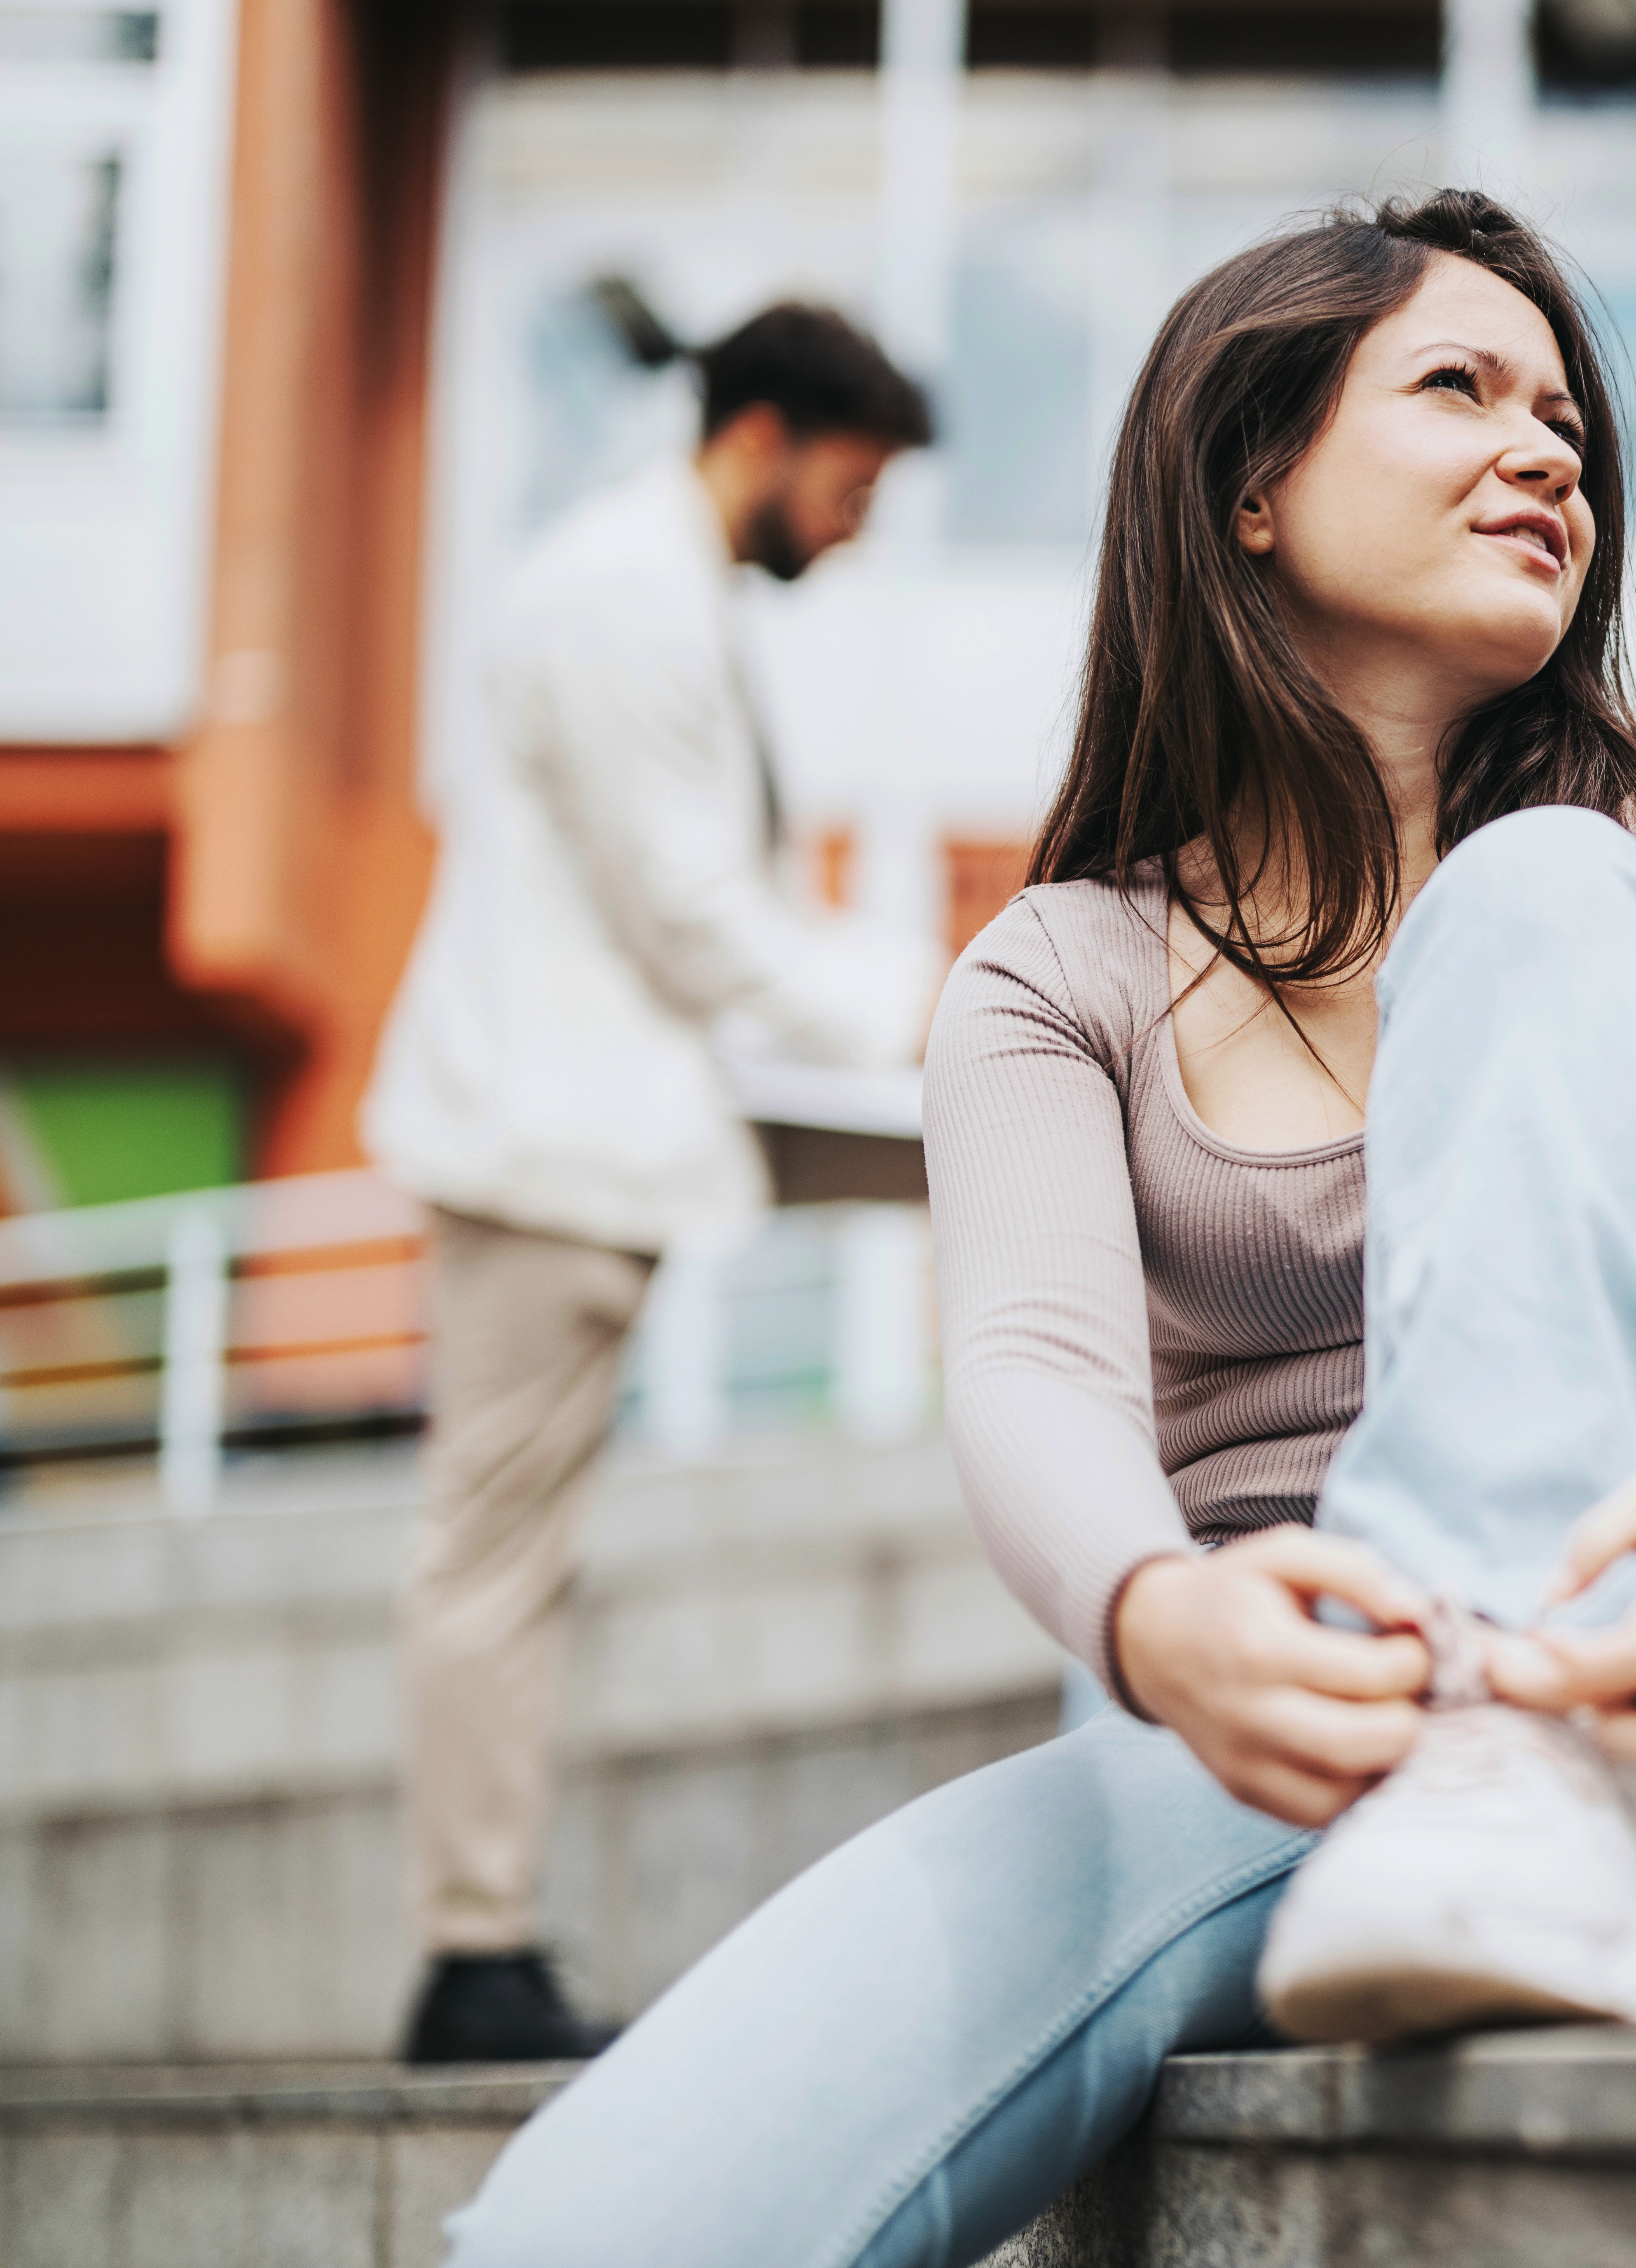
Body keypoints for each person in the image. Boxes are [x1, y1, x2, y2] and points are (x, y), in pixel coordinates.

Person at [437, 190, 1636, 2266]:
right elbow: (1035, 1382)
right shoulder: (1058, 974)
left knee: (1538, 891)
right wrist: (1162, 1618)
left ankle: (1534, 1798)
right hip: (1272, 1725)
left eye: (1572, 423)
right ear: (1252, 481)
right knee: (617, 2203)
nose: (1550, 450)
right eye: (1460, 388)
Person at [361, 303, 944, 2064]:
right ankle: (472, 1953)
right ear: (762, 434)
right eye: (851, 485)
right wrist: (933, 999)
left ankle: (478, 1943)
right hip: (556, 1144)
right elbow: (692, 917)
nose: (856, 526)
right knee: (495, 1559)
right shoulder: (627, 592)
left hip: (626, 1114)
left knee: (1015, 1149)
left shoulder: (658, 582)